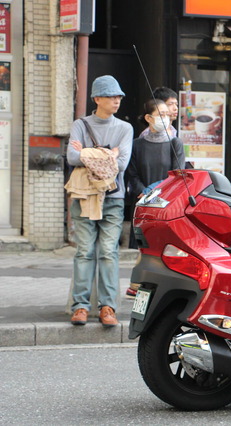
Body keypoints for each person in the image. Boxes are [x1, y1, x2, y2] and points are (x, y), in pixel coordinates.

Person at [66, 75, 133, 327]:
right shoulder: (81, 124)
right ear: (97, 99)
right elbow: (72, 157)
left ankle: (108, 307)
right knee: (85, 251)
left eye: (119, 97)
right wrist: (109, 153)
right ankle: (80, 306)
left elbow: (123, 163)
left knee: (108, 252)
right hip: (85, 196)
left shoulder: (125, 128)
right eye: (111, 96)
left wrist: (87, 152)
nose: (117, 100)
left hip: (113, 197)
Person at [125, 99, 185, 250]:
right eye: (160, 114)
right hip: (141, 204)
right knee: (140, 250)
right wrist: (143, 192)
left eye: (166, 114)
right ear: (148, 118)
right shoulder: (137, 144)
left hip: (166, 203)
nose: (165, 118)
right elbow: (132, 174)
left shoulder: (175, 143)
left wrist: (152, 192)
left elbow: (177, 175)